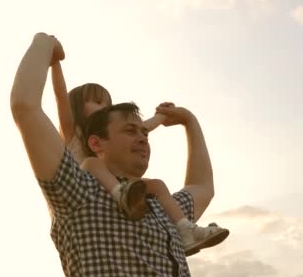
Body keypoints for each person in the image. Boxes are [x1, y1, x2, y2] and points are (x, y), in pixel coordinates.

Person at [11, 33, 218, 277]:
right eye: (130, 131)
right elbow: (25, 106)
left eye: (143, 132)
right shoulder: (80, 194)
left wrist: (189, 121)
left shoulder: (161, 206)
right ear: (97, 142)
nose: (143, 137)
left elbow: (203, 187)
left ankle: (188, 232)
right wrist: (45, 43)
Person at [50, 62, 228, 256]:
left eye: (106, 103)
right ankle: (121, 193)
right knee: (92, 163)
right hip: (86, 190)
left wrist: (163, 115)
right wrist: (55, 63)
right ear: (76, 106)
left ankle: (186, 229)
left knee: (157, 185)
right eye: (96, 101)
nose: (104, 107)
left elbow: (143, 127)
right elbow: (60, 94)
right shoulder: (73, 133)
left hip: (123, 186)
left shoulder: (113, 133)